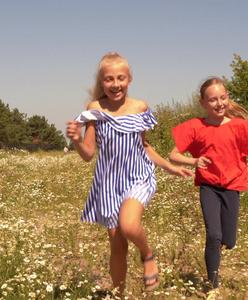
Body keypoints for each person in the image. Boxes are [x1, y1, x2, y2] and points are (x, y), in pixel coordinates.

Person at [66, 52, 193, 294]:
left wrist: (169, 167)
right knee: (117, 248)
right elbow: (88, 154)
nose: (115, 85)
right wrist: (76, 140)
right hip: (108, 185)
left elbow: (145, 146)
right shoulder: (95, 110)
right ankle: (118, 294)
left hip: (138, 177)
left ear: (130, 79)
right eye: (109, 79)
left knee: (129, 225)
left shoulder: (139, 107)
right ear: (102, 82)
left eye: (121, 78)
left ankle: (148, 255)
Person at [169, 76, 248, 293]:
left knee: (229, 240)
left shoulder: (240, 127)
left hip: (232, 186)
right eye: (212, 100)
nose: (219, 103)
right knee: (213, 235)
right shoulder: (195, 127)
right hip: (209, 186)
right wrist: (194, 161)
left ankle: (216, 251)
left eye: (222, 97)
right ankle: (213, 287)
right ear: (202, 103)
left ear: (228, 98)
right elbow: (173, 155)